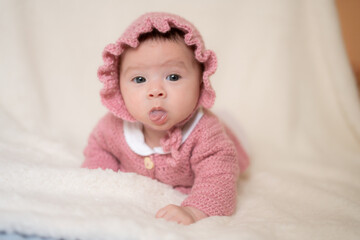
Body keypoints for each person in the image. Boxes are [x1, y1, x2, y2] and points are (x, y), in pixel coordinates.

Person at [82, 12, 249, 225]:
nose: (155, 91)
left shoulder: (206, 133)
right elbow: (99, 149)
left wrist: (194, 211)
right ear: (119, 86)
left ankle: (232, 125)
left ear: (201, 81)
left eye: (173, 77)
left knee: (232, 139)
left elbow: (219, 178)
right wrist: (97, 182)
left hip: (231, 137)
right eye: (139, 79)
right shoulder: (112, 127)